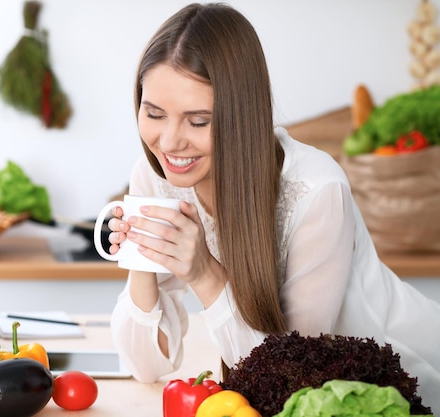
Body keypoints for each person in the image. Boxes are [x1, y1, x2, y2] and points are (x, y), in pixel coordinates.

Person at [107, 2, 440, 411]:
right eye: (154, 113)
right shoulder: (156, 174)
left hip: (400, 385)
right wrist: (141, 257)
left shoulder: (316, 190)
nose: (170, 142)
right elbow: (145, 367)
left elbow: (290, 383)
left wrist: (205, 274)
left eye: (198, 121)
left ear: (242, 115)